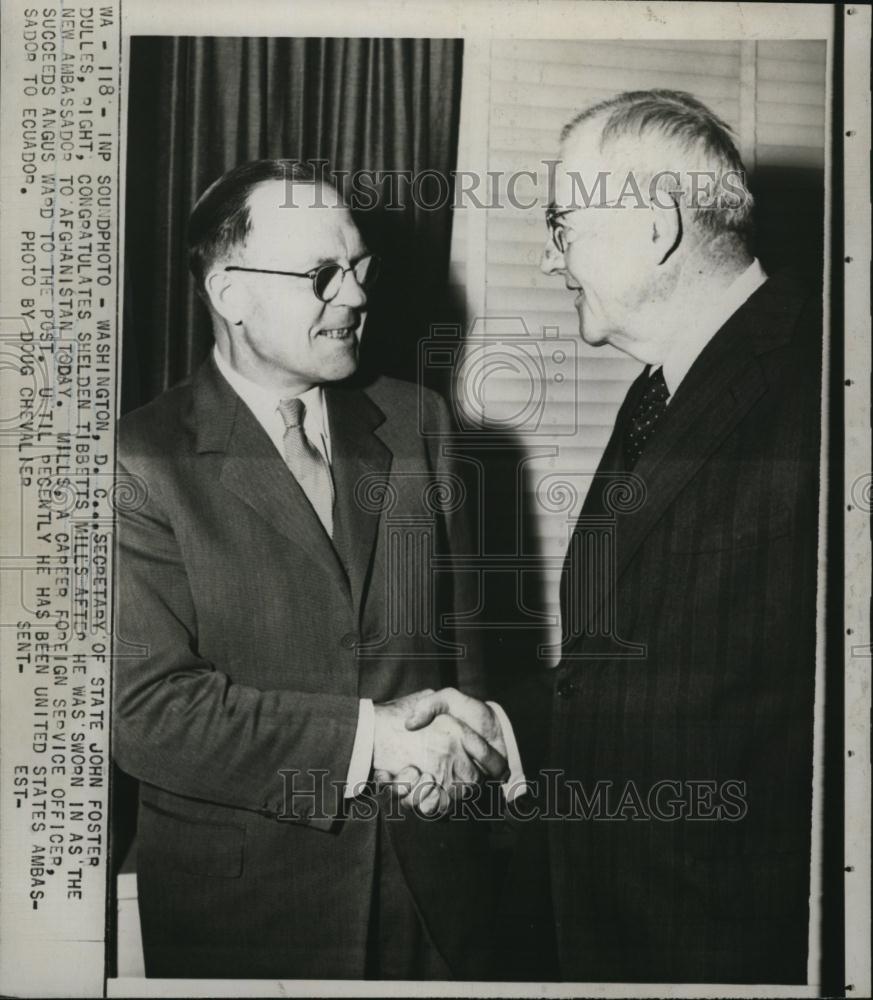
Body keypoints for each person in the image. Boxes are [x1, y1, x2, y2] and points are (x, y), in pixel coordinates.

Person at [407, 90, 822, 984]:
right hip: (615, 923)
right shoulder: (658, 390)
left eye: (562, 223)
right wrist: (506, 725)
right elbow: (641, 667)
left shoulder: (824, 385)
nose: (549, 257)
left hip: (740, 943)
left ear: (653, 226)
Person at [112, 159, 515, 981]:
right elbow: (146, 713)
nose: (358, 297)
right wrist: (375, 743)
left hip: (434, 895)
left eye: (360, 271)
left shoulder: (417, 422)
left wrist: (471, 765)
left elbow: (471, 648)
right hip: (252, 916)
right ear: (229, 294)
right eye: (323, 276)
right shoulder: (138, 460)